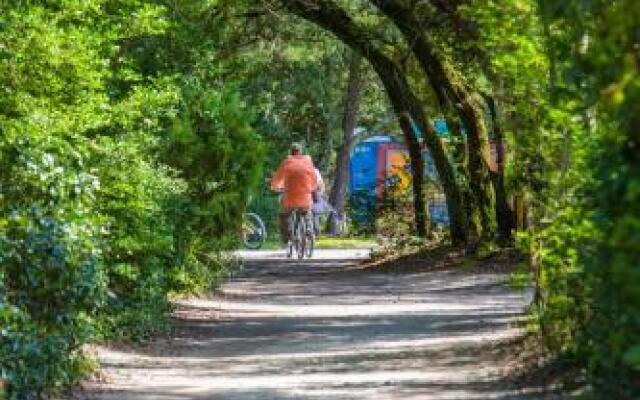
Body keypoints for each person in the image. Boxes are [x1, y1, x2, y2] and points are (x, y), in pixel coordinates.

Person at [270, 143, 318, 245]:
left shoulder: (287, 162)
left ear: (290, 152)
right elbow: (314, 179)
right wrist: (312, 188)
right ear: (301, 152)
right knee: (307, 212)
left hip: (290, 198)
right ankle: (309, 229)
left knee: (283, 215)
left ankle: (287, 238)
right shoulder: (308, 162)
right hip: (305, 197)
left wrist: (274, 186)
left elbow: (277, 178)